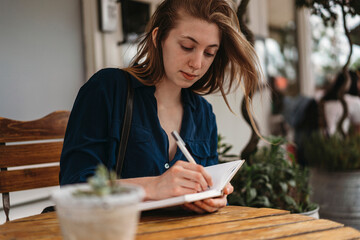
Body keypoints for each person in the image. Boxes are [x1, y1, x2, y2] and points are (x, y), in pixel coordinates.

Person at [60, 0, 262, 213]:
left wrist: (213, 198)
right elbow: (74, 190)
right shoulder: (108, 89)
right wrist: (153, 187)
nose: (197, 63)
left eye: (209, 53)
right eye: (187, 46)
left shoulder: (203, 114)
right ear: (158, 38)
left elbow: (209, 188)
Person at [320, 70, 360, 135]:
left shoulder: (324, 99)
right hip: (339, 143)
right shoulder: (354, 101)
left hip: (320, 141)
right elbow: (358, 133)